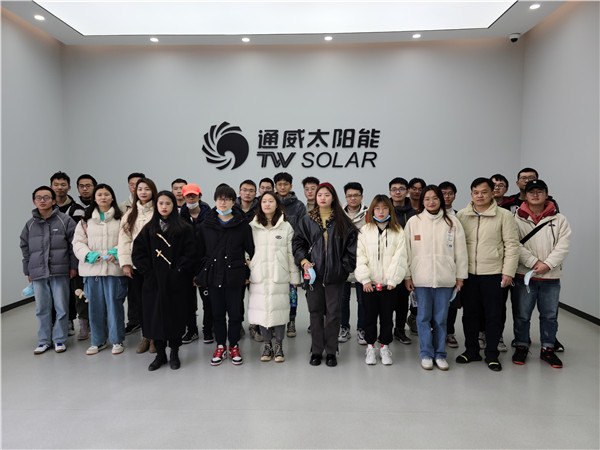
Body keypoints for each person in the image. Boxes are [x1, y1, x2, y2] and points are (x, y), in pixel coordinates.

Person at [456, 177, 519, 371]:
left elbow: (512, 245)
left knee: (493, 316)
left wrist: (508, 272)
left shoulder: (504, 215)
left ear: (492, 193)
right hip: (468, 275)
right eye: (476, 192)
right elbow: (456, 246)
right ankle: (471, 351)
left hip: (494, 274)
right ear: (471, 194)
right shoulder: (462, 215)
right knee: (470, 315)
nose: (480, 196)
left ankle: (492, 354)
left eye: (484, 192)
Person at [293, 182, 358, 367]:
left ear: (333, 198)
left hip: (335, 277)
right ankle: (316, 350)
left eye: (327, 195)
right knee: (315, 313)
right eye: (319, 195)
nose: (322, 198)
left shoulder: (343, 221)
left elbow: (352, 249)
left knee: (333, 314)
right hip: (313, 275)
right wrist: (304, 262)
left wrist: (343, 268)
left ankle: (331, 351)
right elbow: (297, 244)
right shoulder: (306, 220)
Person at [132, 191, 198, 371]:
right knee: (155, 319)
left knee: (175, 318)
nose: (164, 207)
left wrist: (179, 271)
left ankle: (174, 353)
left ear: (174, 206)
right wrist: (148, 273)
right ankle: (160, 355)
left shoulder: (184, 228)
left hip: (176, 282)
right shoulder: (149, 229)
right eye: (160, 203)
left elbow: (191, 253)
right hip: (153, 283)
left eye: (168, 203)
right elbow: (138, 253)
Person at [404, 185, 468, 371]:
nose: (431, 202)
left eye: (435, 198)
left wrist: (460, 276)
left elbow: (461, 252)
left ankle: (440, 354)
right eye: (427, 199)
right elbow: (406, 251)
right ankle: (426, 353)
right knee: (423, 318)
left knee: (441, 319)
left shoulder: (452, 222)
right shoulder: (414, 222)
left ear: (441, 199)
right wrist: (407, 275)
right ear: (422, 201)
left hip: (445, 279)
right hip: (420, 279)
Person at [512, 180, 570, 368]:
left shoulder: (559, 219)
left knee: (549, 316)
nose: (535, 195)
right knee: (522, 315)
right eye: (531, 192)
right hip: (524, 276)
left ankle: (548, 349)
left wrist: (547, 264)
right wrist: (534, 263)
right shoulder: (515, 218)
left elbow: (563, 246)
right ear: (525, 195)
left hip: (550, 277)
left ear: (546, 194)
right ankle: (521, 346)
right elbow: (514, 244)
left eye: (539, 191)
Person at [195, 185, 254, 366]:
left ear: (233, 201)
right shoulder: (206, 224)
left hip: (235, 276)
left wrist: (247, 273)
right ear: (215, 200)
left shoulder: (242, 225)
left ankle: (234, 345)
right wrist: (199, 274)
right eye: (220, 199)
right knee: (217, 314)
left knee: (235, 314)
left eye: (228, 199)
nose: (223, 202)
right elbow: (199, 252)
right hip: (214, 276)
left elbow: (251, 251)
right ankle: (220, 345)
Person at [20, 186, 77, 354]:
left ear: (53, 201)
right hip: (38, 272)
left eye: (46, 197)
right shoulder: (30, 224)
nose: (42, 201)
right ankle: (44, 341)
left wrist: (73, 266)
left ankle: (59, 339)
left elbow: (74, 245)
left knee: (61, 307)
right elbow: (25, 248)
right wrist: (28, 270)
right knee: (42, 308)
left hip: (60, 271)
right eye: (39, 198)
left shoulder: (65, 220)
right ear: (34, 201)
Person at [72, 184, 127, 356]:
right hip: (92, 271)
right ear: (94, 198)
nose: (103, 197)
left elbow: (127, 239)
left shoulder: (121, 218)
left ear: (112, 197)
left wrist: (116, 252)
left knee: (114, 307)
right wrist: (87, 255)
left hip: (113, 269)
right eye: (100, 194)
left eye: (106, 194)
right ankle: (98, 341)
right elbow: (77, 242)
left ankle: (117, 340)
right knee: (94, 308)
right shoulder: (85, 220)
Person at [248, 192, 300, 362]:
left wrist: (294, 278)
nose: (267, 204)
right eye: (264, 201)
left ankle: (278, 346)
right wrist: (250, 264)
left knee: (280, 311)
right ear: (260, 204)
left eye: (271, 201)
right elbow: (246, 249)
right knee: (262, 311)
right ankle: (267, 345)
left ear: (277, 204)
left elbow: (290, 253)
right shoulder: (253, 226)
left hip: (280, 275)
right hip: (259, 275)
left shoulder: (286, 226)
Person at [355, 195, 407, 366]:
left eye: (385, 208)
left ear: (390, 210)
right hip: (369, 285)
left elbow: (400, 257)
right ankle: (370, 347)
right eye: (377, 208)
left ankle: (384, 347)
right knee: (369, 317)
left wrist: (393, 280)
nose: (381, 211)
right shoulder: (365, 230)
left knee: (387, 318)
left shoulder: (398, 231)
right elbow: (360, 256)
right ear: (372, 211)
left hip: (389, 285)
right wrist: (365, 279)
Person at [117, 177, 158, 353]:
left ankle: (156, 337)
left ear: (153, 191)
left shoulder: (159, 210)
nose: (143, 192)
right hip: (136, 266)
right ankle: (146, 337)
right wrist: (126, 264)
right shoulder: (130, 214)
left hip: (156, 266)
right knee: (141, 303)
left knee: (155, 302)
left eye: (147, 189)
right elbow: (124, 241)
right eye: (140, 189)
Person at [50, 171, 87, 339]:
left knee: (75, 291)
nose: (59, 187)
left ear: (69, 187)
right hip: (54, 257)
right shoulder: (47, 207)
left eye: (63, 184)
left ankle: (76, 321)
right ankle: (61, 323)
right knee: (56, 293)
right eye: (56, 184)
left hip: (73, 255)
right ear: (51, 186)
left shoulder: (77, 209)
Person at [273, 171, 307, 338]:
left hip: (292, 253)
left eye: (285, 184)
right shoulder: (270, 202)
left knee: (292, 289)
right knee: (276, 290)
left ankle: (291, 320)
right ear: (275, 186)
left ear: (291, 186)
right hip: (273, 253)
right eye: (279, 184)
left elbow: (302, 230)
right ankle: (276, 321)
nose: (282, 187)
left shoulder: (299, 206)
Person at [179, 183, 213, 344]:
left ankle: (208, 330)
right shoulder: (179, 217)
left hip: (204, 265)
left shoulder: (210, 216)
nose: (191, 198)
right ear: (184, 197)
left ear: (200, 196)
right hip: (186, 267)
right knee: (188, 302)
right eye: (188, 195)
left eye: (194, 195)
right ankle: (191, 330)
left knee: (208, 301)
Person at [388, 177, 417, 342]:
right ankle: (385, 330)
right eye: (394, 189)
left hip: (407, 264)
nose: (397, 192)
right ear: (390, 192)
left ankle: (399, 329)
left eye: (401, 189)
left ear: (407, 191)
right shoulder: (384, 210)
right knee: (386, 300)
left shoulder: (414, 214)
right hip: (387, 264)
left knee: (402, 300)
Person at [340, 182, 368, 344]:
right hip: (343, 263)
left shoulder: (368, 215)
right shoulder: (339, 214)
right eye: (349, 195)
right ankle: (344, 327)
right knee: (342, 299)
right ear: (345, 197)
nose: (352, 198)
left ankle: (361, 329)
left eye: (356, 195)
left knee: (362, 300)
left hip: (362, 262)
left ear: (361, 196)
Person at [439, 180, 460, 348]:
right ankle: (435, 331)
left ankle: (449, 331)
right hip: (434, 265)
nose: (446, 196)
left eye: (450, 193)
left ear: (454, 196)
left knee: (452, 302)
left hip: (452, 267)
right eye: (443, 193)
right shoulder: (429, 215)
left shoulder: (460, 216)